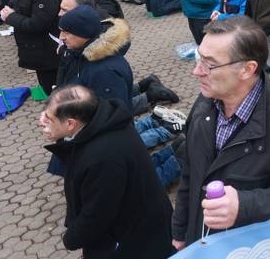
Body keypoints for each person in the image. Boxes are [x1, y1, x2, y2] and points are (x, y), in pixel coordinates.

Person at [171, 16, 270, 249]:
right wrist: (181, 232)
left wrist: (245, 205)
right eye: (198, 58)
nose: (196, 71)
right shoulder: (204, 104)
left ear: (247, 69)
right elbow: (190, 174)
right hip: (202, 243)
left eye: (209, 64)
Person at [40, 85, 174, 259]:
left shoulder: (101, 159)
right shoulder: (105, 120)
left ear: (70, 123)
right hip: (142, 224)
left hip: (136, 240)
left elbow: (97, 214)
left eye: (48, 118)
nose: (42, 121)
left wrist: (71, 239)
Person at [0, 0, 63, 94]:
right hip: (41, 50)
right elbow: (26, 3)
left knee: (53, 89)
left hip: (47, 53)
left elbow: (38, 24)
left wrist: (11, 17)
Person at [56, 4, 133, 111]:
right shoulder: (76, 53)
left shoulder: (105, 71)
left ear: (84, 32)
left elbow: (112, 116)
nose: (61, 37)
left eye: (66, 32)